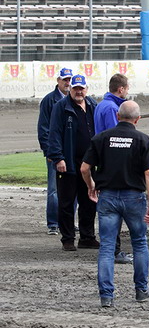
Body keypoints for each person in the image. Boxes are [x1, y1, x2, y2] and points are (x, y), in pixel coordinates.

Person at [81, 101, 149, 308]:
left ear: (117, 116)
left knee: (106, 247)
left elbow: (84, 168)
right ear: (137, 119)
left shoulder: (101, 138)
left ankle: (107, 295)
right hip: (134, 197)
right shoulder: (143, 139)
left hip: (107, 197)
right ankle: (141, 289)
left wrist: (91, 186)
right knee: (139, 243)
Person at [47, 74, 98, 251]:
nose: (78, 91)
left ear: (86, 89)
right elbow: (53, 134)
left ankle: (87, 237)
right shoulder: (61, 107)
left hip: (89, 163)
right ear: (71, 89)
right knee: (66, 202)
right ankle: (67, 238)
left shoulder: (92, 104)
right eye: (75, 88)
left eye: (81, 88)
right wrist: (58, 157)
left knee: (89, 200)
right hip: (67, 162)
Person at [94, 73, 133, 265]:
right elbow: (116, 137)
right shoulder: (111, 107)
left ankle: (110, 249)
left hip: (103, 163)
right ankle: (114, 250)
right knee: (114, 210)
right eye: (127, 89)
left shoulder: (102, 104)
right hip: (112, 165)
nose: (127, 92)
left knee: (108, 209)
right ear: (121, 89)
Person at [37, 67, 72, 235]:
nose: (67, 82)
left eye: (69, 79)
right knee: (54, 189)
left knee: (72, 188)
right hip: (55, 151)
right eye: (65, 79)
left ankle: (68, 222)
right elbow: (43, 129)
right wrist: (49, 152)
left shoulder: (74, 99)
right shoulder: (49, 100)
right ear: (58, 80)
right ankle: (53, 223)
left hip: (71, 152)